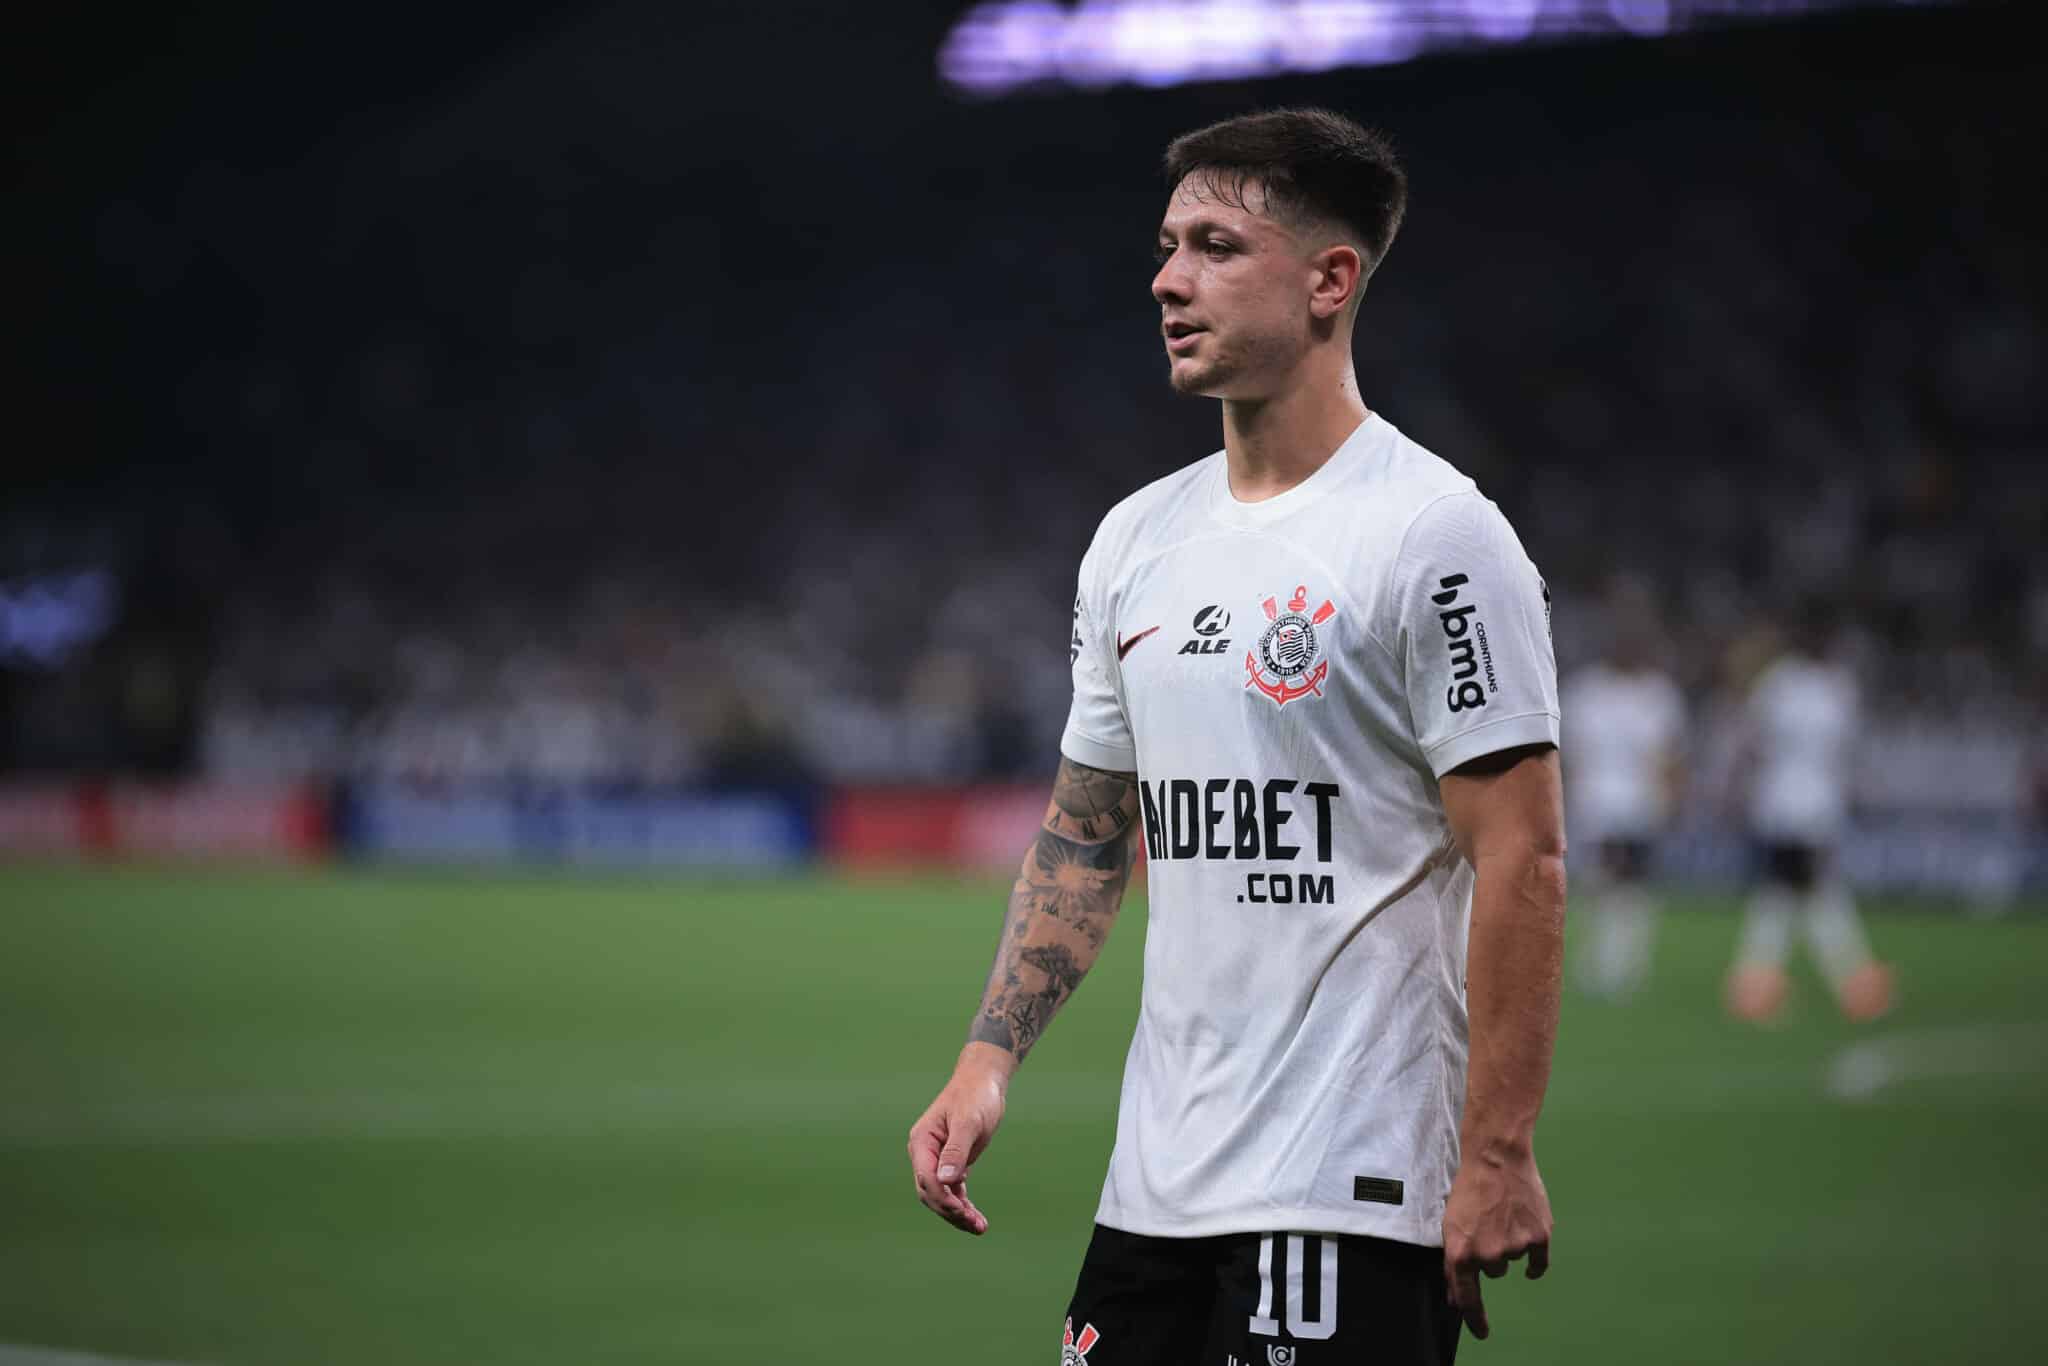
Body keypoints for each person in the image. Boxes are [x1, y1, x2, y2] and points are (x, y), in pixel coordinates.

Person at [906, 109, 1565, 1363]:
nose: (1168, 279)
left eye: (1214, 246)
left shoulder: (1434, 535)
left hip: (1345, 1189)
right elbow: (1084, 838)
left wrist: (1495, 1151)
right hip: (1152, 1191)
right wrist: (984, 1061)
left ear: (1329, 280)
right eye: (1166, 246)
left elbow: (1521, 856)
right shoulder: (1133, 540)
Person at [1724, 604, 1892, 1022]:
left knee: (1789, 891)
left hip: (1798, 803)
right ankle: (1849, 980)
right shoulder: (1822, 685)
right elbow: (1759, 744)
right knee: (1808, 889)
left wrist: (1740, 788)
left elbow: (1754, 744)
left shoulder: (1790, 683)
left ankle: (1758, 982)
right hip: (1797, 803)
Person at [1561, 580, 1686, 999]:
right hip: (1595, 806)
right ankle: (1595, 963)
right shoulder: (1586, 691)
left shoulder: (1658, 695)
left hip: (1640, 807)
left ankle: (1627, 967)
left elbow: (1670, 756)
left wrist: (1670, 802)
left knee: (1633, 892)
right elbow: (1570, 755)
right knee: (1597, 888)